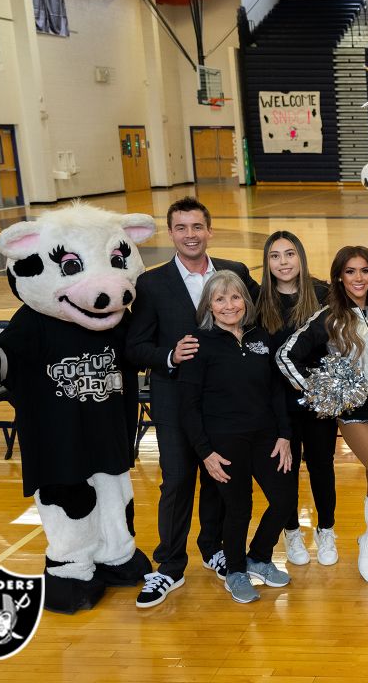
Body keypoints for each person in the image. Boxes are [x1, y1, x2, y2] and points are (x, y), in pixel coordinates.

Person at [126, 197, 259, 608]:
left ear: (209, 230)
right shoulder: (151, 284)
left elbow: (264, 317)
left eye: (197, 227)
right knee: (179, 479)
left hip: (224, 406)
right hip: (174, 399)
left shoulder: (234, 273)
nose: (190, 235)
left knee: (219, 479)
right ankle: (169, 566)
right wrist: (169, 355)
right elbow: (133, 347)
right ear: (171, 233)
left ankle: (213, 547)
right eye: (181, 228)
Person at [278, 246, 368, 583]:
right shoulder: (329, 316)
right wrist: (317, 391)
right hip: (356, 413)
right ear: (339, 276)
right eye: (350, 271)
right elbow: (285, 356)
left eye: (364, 271)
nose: (358, 278)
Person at [179, 272, 293, 604]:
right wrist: (205, 452)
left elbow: (276, 390)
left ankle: (259, 557)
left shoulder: (261, 336)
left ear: (245, 300)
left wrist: (284, 435)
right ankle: (236, 572)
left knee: (284, 500)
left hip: (266, 436)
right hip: (224, 441)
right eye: (220, 299)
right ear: (209, 307)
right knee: (238, 509)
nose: (229, 305)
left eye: (235, 297)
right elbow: (189, 406)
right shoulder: (198, 343)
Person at [256, 231, 338, 566]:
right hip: (278, 406)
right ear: (267, 262)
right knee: (284, 471)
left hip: (318, 402)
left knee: (322, 467)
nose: (283, 262)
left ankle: (326, 531)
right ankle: (291, 533)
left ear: (301, 257)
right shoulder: (259, 301)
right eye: (275, 256)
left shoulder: (323, 294)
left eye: (290, 254)